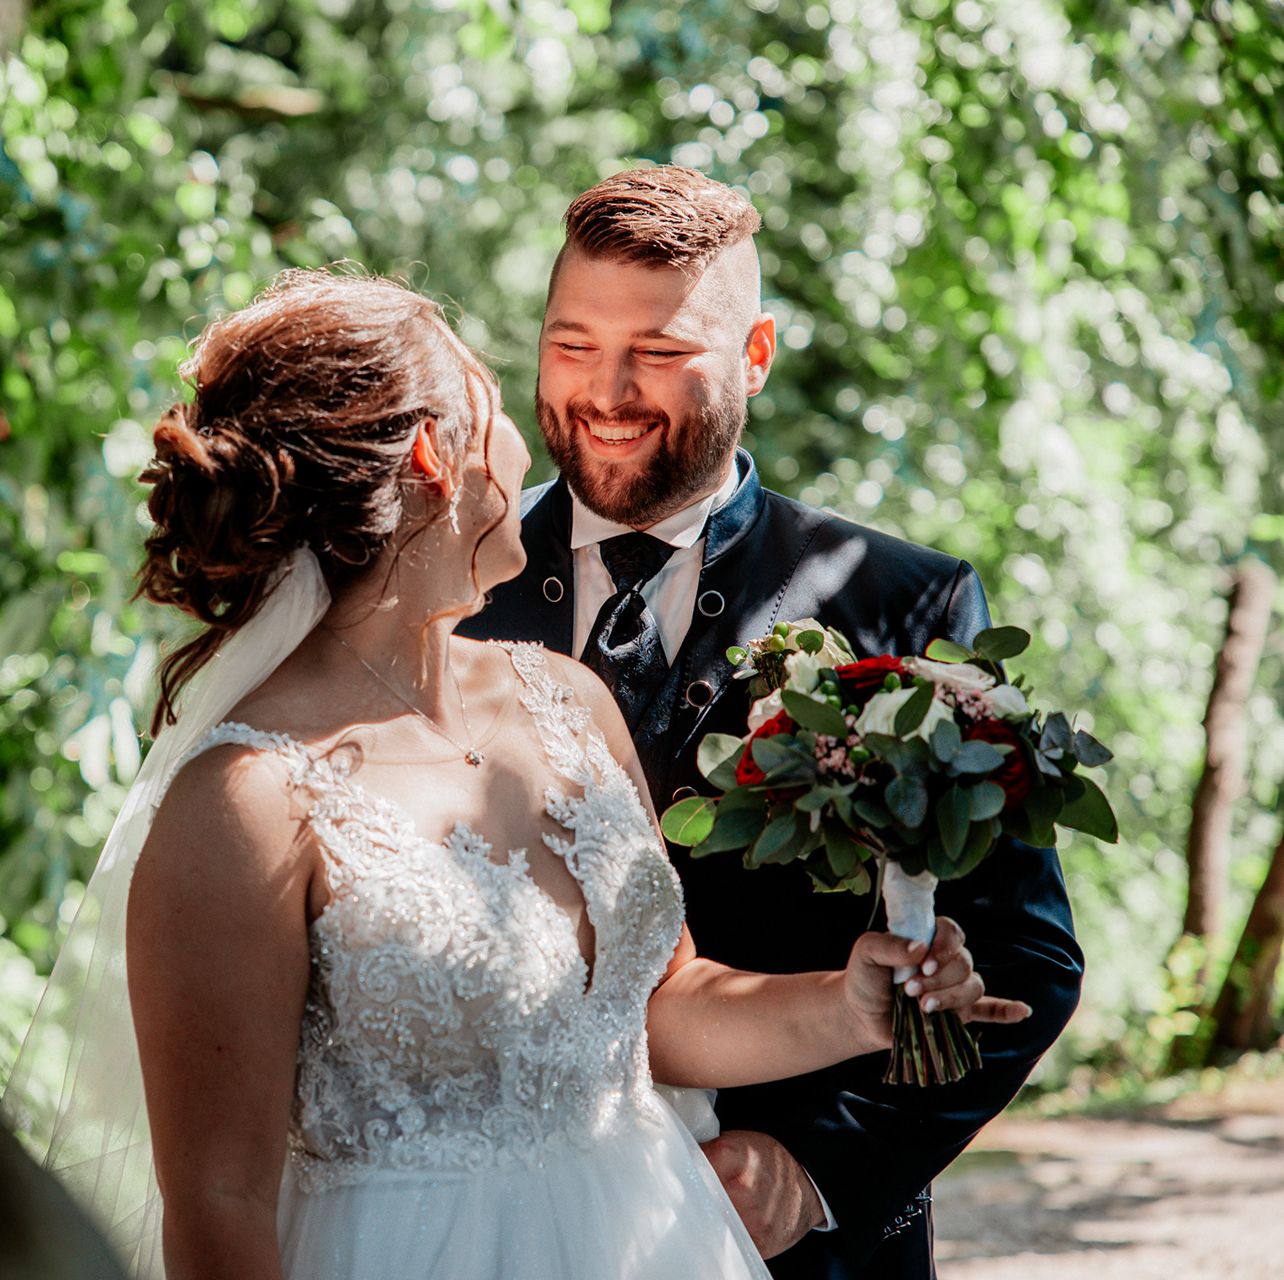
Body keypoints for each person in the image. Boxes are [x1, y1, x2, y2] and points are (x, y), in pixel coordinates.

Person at [7, 269, 1027, 1280]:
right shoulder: (245, 799)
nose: (529, 437)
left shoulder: (567, 702)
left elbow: (659, 1006)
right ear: (432, 455)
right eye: (491, 405)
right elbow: (217, 1204)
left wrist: (846, 1007)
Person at [457, 166, 1084, 1280]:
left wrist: (820, 1169)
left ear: (756, 354)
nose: (608, 390)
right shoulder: (447, 591)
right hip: (496, 1224)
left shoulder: (901, 601)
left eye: (659, 351)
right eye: (572, 342)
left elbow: (1025, 952)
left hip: (792, 1249)